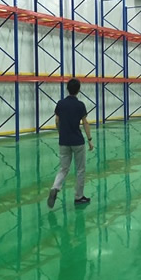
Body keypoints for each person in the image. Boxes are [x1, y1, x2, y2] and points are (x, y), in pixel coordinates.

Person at [47, 78, 94, 208]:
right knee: (80, 170)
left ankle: (55, 187)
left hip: (64, 141)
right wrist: (90, 140)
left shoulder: (60, 104)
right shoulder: (80, 105)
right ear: (78, 90)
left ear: (67, 89)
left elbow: (57, 120)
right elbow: (85, 122)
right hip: (77, 141)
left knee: (63, 169)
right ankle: (79, 197)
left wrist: (60, 133)